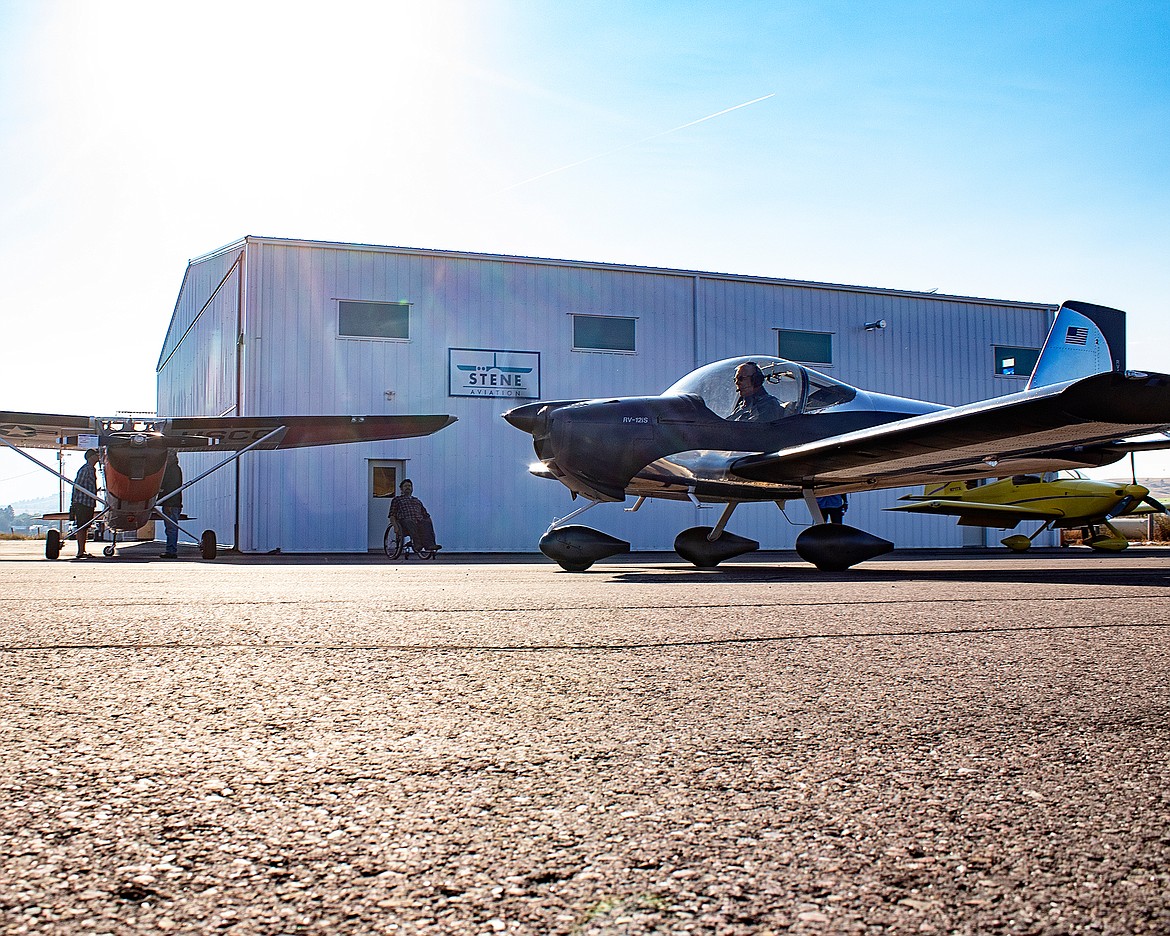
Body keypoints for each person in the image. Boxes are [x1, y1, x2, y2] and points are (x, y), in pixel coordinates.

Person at [388, 479, 441, 552]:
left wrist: (428, 521)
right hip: (404, 521)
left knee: (426, 522)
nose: (408, 487)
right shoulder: (397, 500)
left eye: (409, 486)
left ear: (412, 488)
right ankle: (417, 544)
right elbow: (392, 514)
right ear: (401, 489)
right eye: (405, 486)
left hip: (418, 521)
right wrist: (395, 526)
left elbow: (425, 514)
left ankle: (429, 545)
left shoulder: (417, 501)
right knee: (410, 522)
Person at [69, 448, 101, 559]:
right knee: (82, 527)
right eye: (96, 455)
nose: (98, 457)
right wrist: (74, 502)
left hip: (89, 503)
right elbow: (77, 485)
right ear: (91, 457)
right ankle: (80, 552)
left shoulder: (91, 469)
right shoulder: (86, 469)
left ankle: (82, 550)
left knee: (85, 527)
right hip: (83, 503)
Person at [160, 450, 183, 558]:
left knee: (171, 528)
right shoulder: (173, 469)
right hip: (171, 502)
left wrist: (162, 498)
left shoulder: (172, 470)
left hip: (171, 503)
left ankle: (171, 551)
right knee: (170, 527)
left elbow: (171, 487)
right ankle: (171, 549)